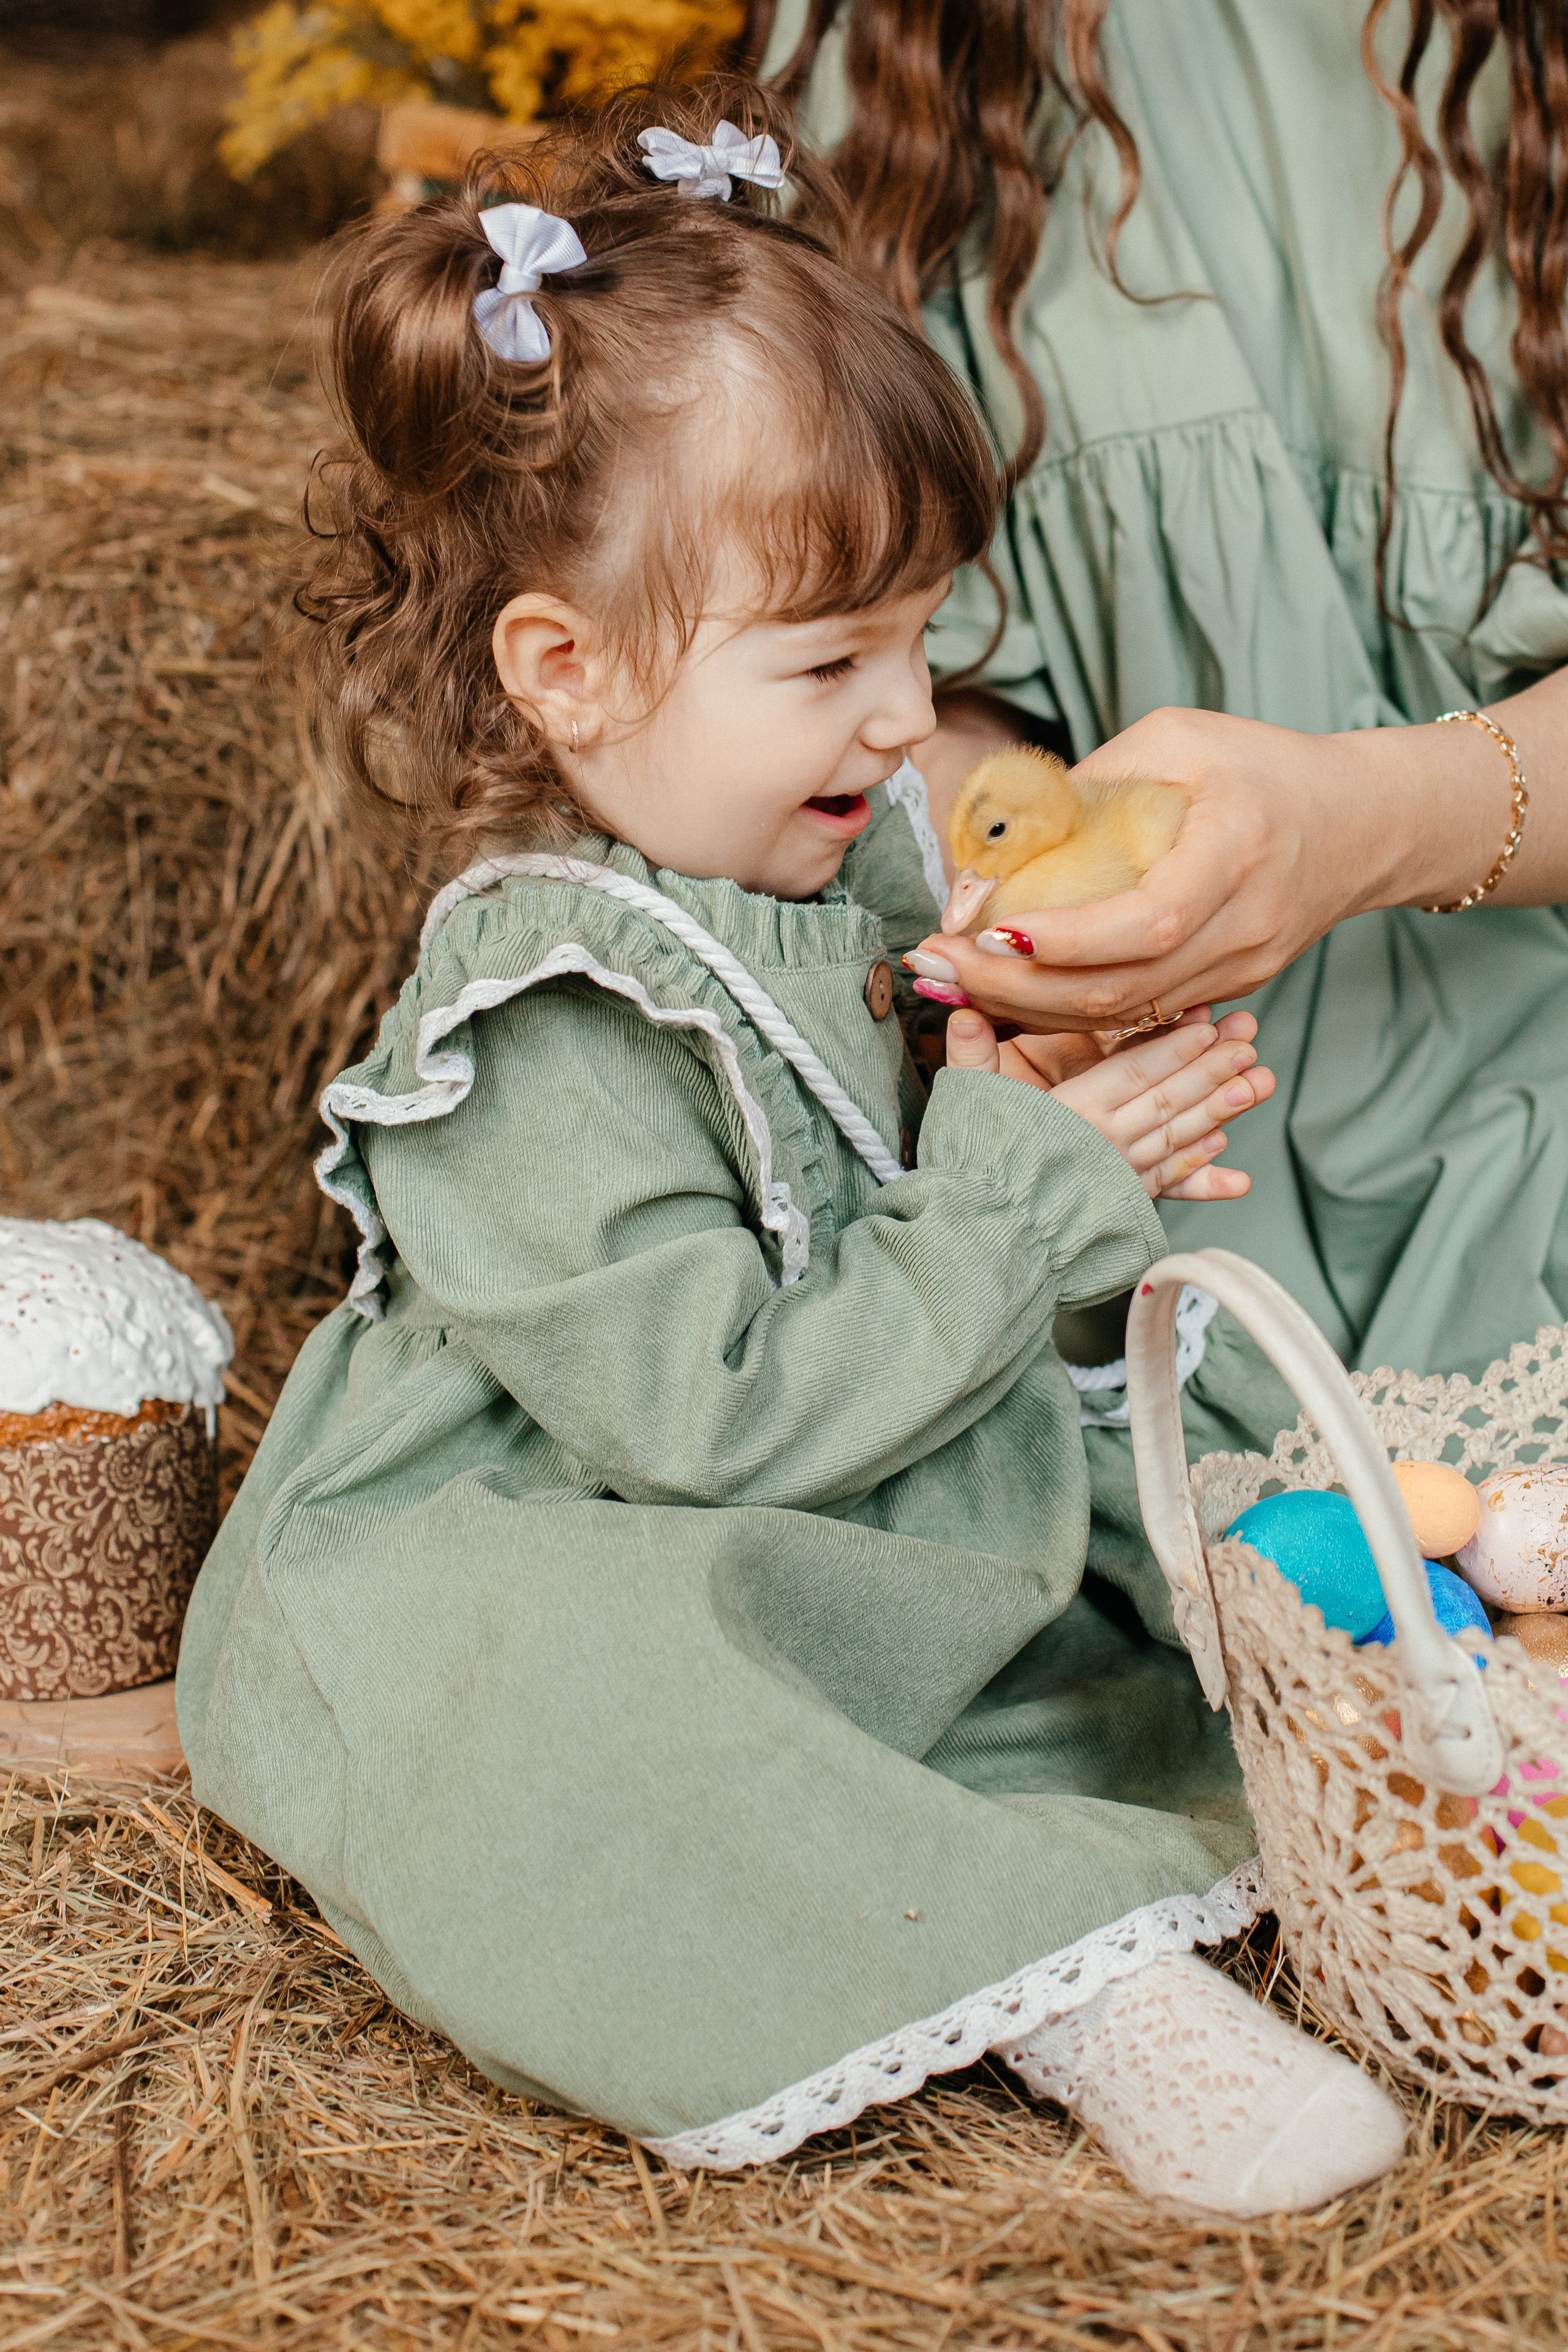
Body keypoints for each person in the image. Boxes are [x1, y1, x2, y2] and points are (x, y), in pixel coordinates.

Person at [176, 80, 1404, 2214]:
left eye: (925, 637)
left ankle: (1187, 1824)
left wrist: (1045, 1142)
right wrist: (1018, 1200)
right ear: (562, 671)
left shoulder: (847, 883)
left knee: (1102, 1580)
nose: (910, 715)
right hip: (581, 1523)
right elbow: (712, 1414)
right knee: (607, 1694)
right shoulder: (536, 1019)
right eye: (833, 656)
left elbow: (902, 1254)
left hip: (817, 1467)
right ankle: (1067, 1985)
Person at [763, 1, 1568, 1554]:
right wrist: (997, 903)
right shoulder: (911, 46)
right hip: (1137, 1165)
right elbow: (909, 671)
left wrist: (1355, 827)